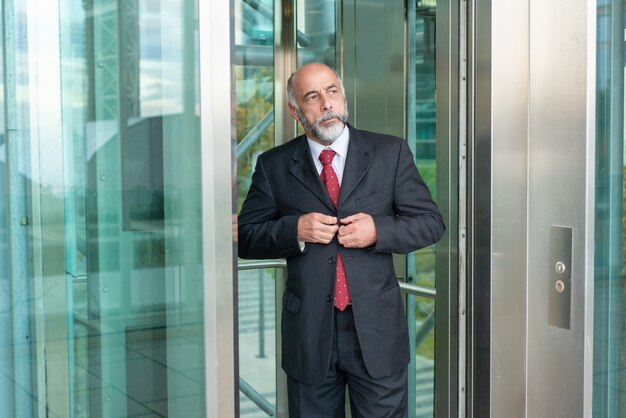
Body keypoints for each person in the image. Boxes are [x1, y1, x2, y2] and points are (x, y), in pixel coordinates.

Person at [238, 62, 445, 417]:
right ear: (295, 110)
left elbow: (430, 223)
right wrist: (295, 230)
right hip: (309, 335)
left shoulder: (389, 153)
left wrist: (378, 231)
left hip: (377, 332)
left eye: (332, 92)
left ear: (344, 97)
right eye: (312, 97)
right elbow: (247, 237)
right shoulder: (273, 166)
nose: (326, 104)